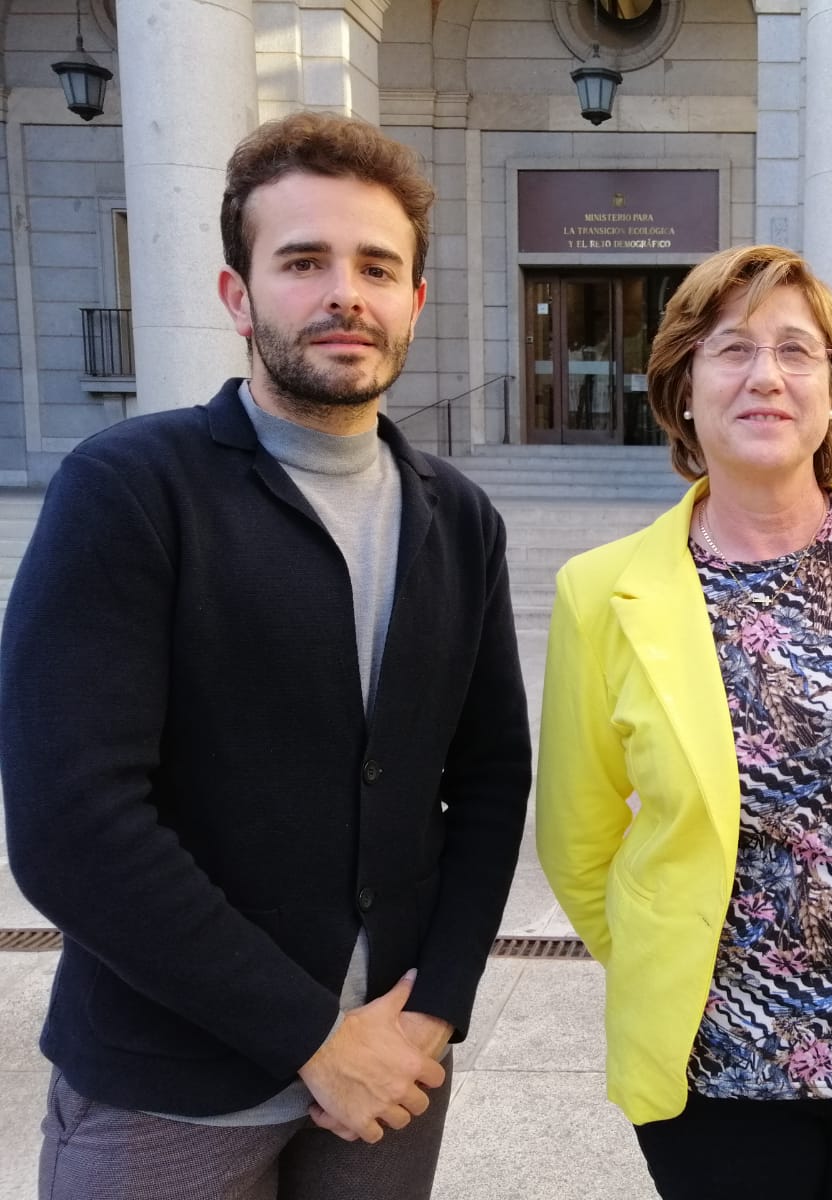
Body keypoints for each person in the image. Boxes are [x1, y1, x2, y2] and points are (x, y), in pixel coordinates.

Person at [0, 111, 531, 1198]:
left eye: (377, 267)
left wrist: (432, 1014)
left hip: (389, 1080)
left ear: (414, 304)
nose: (346, 292)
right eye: (303, 262)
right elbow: (72, 826)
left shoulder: (461, 519)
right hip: (170, 1090)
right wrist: (312, 1039)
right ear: (237, 295)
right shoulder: (132, 491)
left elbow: (489, 780)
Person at [536, 244, 832, 1199]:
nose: (767, 377)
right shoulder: (600, 592)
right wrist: (676, 957)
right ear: (682, 389)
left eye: (797, 351)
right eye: (732, 349)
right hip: (717, 1073)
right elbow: (577, 842)